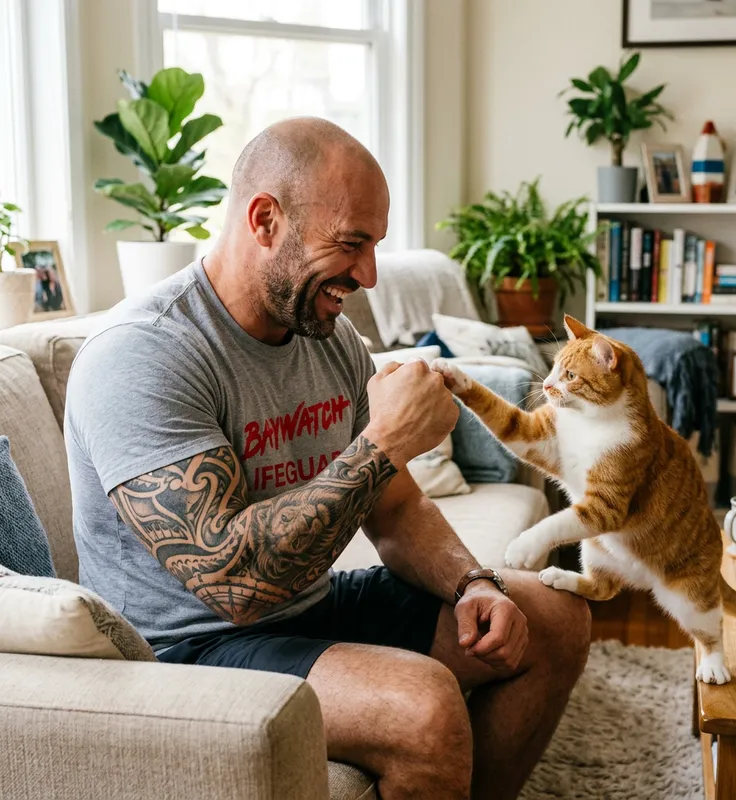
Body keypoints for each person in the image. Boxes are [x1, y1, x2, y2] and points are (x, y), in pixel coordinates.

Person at [64, 117, 590, 799]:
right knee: (422, 705)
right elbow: (235, 586)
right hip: (185, 650)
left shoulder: (328, 338)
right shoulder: (144, 356)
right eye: (352, 243)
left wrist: (474, 585)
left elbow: (397, 509)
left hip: (305, 605)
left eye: (375, 245)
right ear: (264, 220)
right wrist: (384, 442)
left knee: (552, 616)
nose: (368, 274)